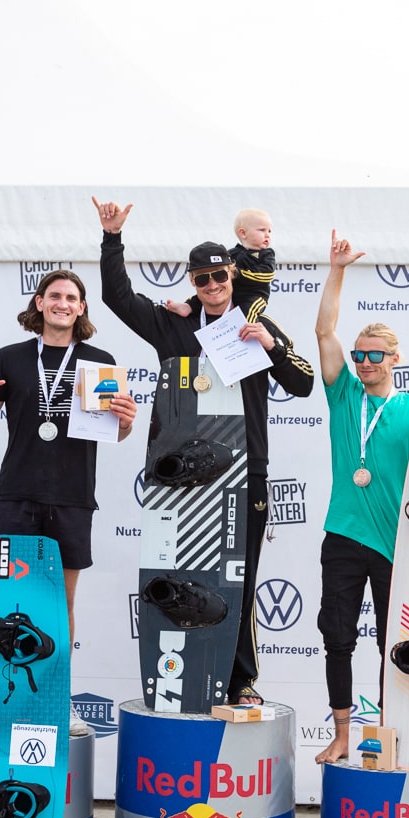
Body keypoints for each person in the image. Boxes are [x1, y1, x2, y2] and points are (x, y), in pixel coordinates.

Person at [92, 195, 314, 704]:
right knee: (175, 572)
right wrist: (112, 238)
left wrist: (271, 346)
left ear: (233, 276)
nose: (212, 286)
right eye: (202, 280)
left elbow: (302, 385)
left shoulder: (255, 322)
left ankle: (241, 682)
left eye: (220, 277)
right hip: (179, 475)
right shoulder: (173, 325)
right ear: (191, 283)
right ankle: (176, 675)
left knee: (241, 577)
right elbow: (117, 296)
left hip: (245, 470)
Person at [314, 232, 409, 763]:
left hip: (395, 544)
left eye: (373, 355)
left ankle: (380, 733)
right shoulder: (343, 393)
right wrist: (337, 270)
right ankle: (339, 733)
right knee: (337, 638)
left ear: (395, 358)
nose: (363, 362)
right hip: (342, 536)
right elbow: (324, 329)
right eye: (358, 355)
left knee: (389, 644)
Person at [0, 268, 138, 734]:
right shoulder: (11, 357)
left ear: (82, 308)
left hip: (73, 497)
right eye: (54, 295)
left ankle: (55, 697)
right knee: (11, 602)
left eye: (72, 297)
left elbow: (117, 434)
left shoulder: (99, 361)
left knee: (61, 603)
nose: (63, 303)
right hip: (17, 493)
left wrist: (127, 419)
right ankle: (13, 699)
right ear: (39, 303)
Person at [166, 208, 276, 323]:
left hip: (253, 295)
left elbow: (267, 275)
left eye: (269, 231)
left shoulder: (267, 254)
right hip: (232, 292)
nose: (267, 235)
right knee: (206, 295)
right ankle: (187, 307)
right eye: (262, 230)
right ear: (243, 233)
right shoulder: (232, 253)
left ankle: (244, 330)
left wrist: (238, 273)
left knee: (247, 311)